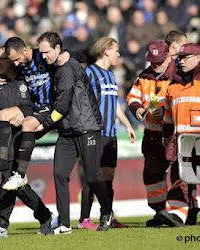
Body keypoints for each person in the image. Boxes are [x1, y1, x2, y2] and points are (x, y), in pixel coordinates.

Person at [36, 31, 112, 234]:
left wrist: (42, 128)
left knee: (93, 176)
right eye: (41, 53)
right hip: (67, 131)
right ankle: (65, 223)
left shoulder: (68, 69)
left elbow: (62, 105)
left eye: (46, 52)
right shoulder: (57, 66)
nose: (44, 57)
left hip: (86, 128)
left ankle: (106, 211)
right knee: (59, 174)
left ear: (58, 48)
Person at [0, 45, 57, 237]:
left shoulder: (27, 79)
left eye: (1, 59)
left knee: (8, 179)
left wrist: (22, 115)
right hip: (2, 140)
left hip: (21, 137)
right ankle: (46, 216)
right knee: (17, 183)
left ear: (12, 61)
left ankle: (1, 225)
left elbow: (37, 104)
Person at [0, 36, 74, 191]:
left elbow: (81, 55)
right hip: (33, 105)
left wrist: (68, 54)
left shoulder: (42, 56)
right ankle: (1, 160)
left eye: (17, 59)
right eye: (13, 61)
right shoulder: (18, 64)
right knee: (2, 115)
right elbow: (9, 70)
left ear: (25, 51)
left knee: (27, 124)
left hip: (48, 105)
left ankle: (20, 174)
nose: (16, 63)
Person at [78, 37, 136, 230]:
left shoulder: (110, 75)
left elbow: (115, 105)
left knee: (108, 175)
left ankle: (108, 215)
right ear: (106, 51)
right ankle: (84, 219)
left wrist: (127, 125)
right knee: (93, 176)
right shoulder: (90, 73)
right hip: (96, 132)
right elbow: (83, 103)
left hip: (111, 133)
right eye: (116, 50)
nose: (119, 54)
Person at [127, 41, 178, 227]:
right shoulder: (145, 75)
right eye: (153, 61)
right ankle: (161, 212)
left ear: (169, 57)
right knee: (151, 175)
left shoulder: (179, 75)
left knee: (180, 176)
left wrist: (165, 111)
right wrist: (138, 109)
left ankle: (184, 212)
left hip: (174, 133)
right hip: (152, 134)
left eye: (159, 62)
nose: (155, 65)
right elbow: (132, 96)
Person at [158, 43, 200, 227]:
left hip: (198, 137)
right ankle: (178, 214)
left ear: (198, 58)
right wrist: (166, 136)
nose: (181, 61)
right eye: (180, 58)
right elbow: (168, 117)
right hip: (181, 139)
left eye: (186, 57)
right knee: (180, 176)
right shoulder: (172, 85)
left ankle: (189, 210)